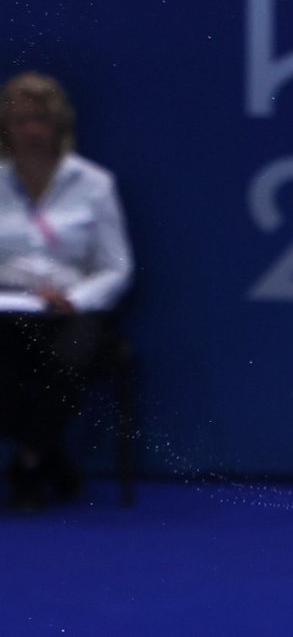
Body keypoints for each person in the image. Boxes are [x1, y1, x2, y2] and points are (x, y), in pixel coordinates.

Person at [0, 72, 134, 510]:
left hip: (72, 312)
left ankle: (28, 461)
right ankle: (49, 460)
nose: (32, 131)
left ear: (59, 126)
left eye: (41, 120)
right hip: (6, 310)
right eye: (21, 122)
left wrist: (75, 300)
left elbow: (117, 268)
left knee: (68, 361)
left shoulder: (94, 184)